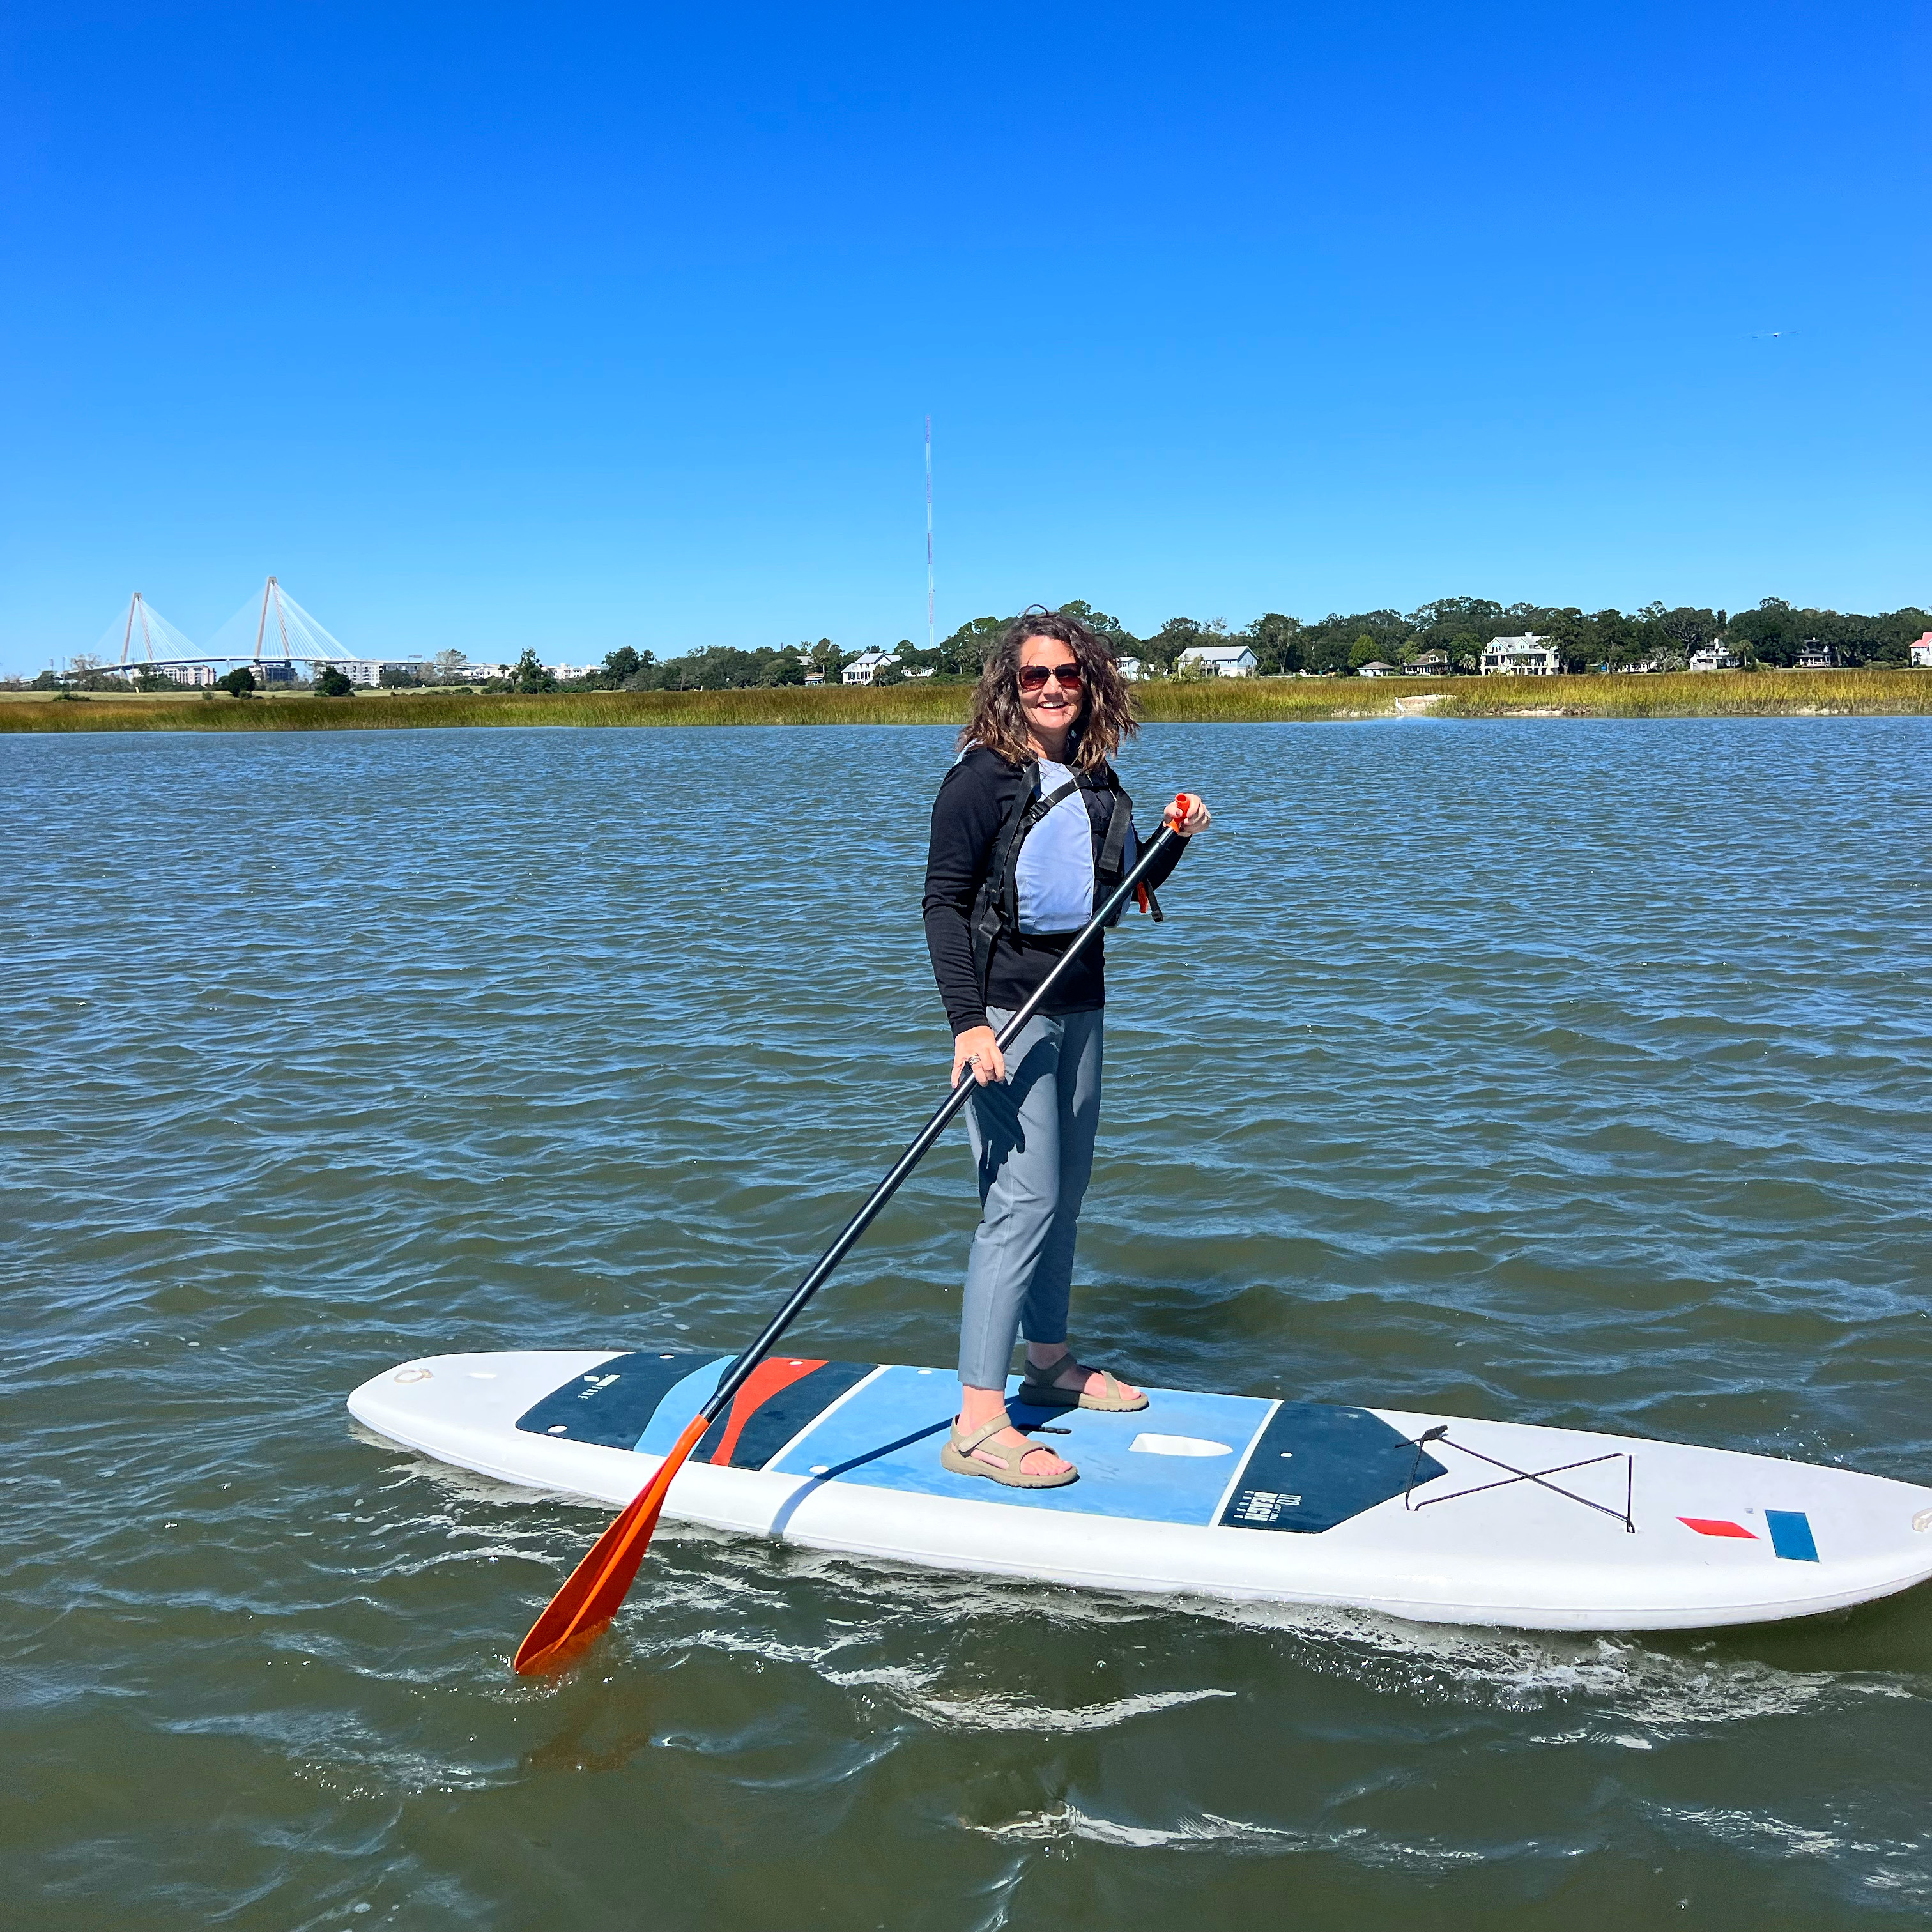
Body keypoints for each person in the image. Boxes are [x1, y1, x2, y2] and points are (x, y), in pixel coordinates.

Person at [921, 608, 1211, 1487]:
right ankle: (977, 1423)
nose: (1051, 688)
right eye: (1034, 675)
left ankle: (1049, 1362)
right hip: (1008, 1017)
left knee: (1065, 1196)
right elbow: (941, 904)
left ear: (1093, 684)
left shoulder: (1094, 775)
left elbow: (1115, 892)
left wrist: (1173, 843)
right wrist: (968, 1024)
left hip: (1082, 1004)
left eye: (1068, 674)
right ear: (1011, 687)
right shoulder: (981, 780)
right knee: (1020, 1203)